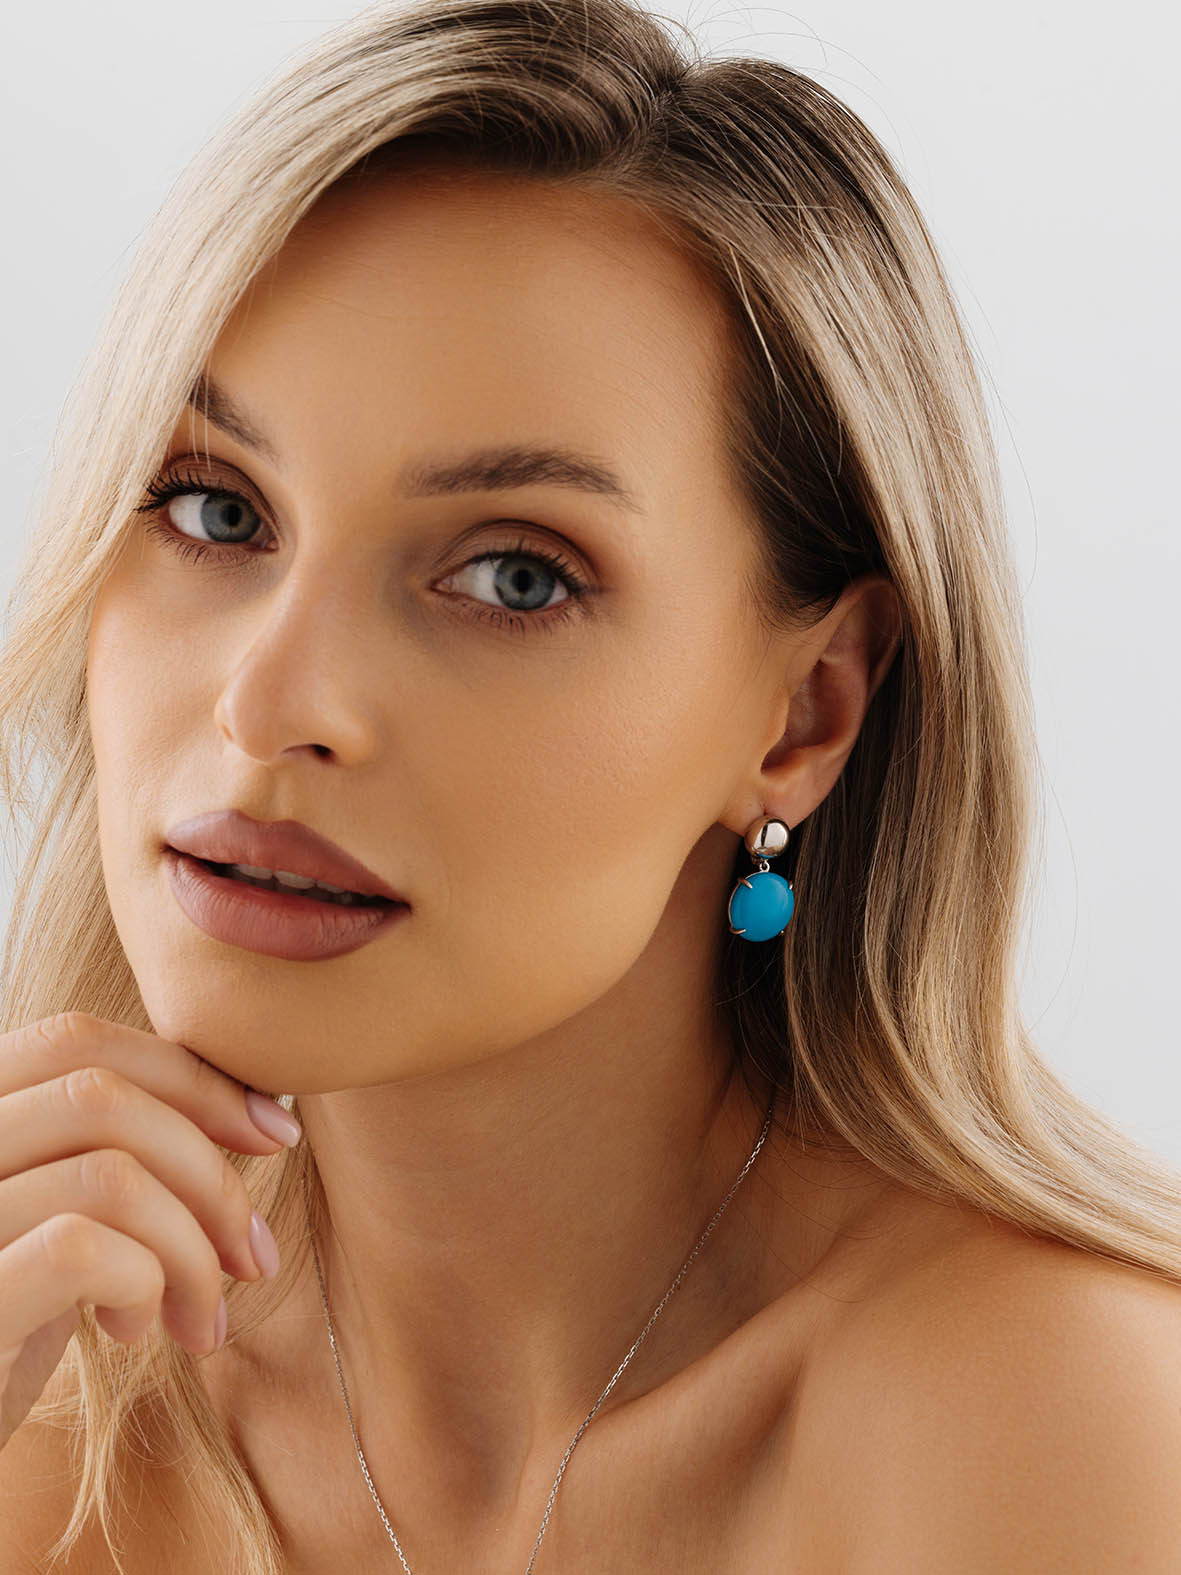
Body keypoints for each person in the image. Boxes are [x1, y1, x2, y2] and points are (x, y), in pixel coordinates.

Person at [1, 0, 1179, 1570]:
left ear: (804, 714)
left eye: (513, 575)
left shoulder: (1044, 1426)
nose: (266, 706)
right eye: (216, 509)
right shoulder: (46, 1399)